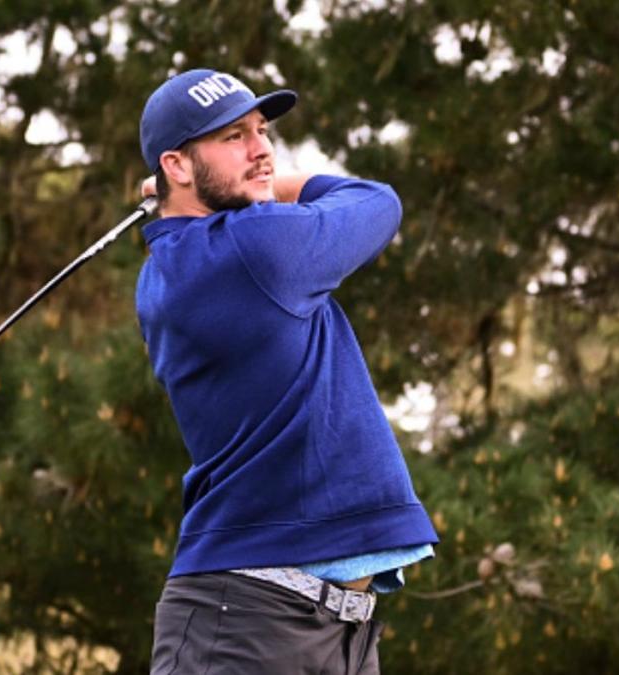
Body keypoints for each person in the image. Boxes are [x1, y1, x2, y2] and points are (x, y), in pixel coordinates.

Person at [135, 68, 439, 675]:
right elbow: (378, 201)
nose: (262, 149)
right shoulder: (253, 250)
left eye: (261, 130)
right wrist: (273, 187)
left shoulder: (184, 261)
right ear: (176, 165)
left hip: (325, 626)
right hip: (249, 624)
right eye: (233, 138)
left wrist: (246, 182)